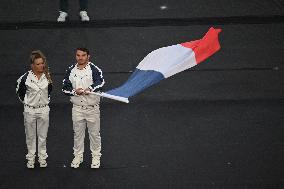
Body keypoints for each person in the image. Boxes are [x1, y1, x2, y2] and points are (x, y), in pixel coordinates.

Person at [62, 47, 105, 168]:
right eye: (78, 55)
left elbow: (100, 82)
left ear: (88, 56)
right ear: (75, 56)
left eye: (83, 55)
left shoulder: (94, 69)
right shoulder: (70, 70)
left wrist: (90, 88)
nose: (80, 58)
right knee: (78, 134)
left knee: (94, 134)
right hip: (77, 108)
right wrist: (75, 91)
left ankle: (96, 157)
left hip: (92, 108)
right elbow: (65, 88)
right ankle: (78, 156)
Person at [16, 50, 52, 168]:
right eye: (38, 64)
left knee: (42, 136)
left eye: (42, 63)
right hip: (30, 110)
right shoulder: (25, 78)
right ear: (32, 65)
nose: (41, 66)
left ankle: (42, 158)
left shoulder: (47, 76)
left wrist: (44, 103)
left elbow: (49, 91)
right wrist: (28, 103)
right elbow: (20, 93)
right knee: (30, 136)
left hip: (43, 110)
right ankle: (31, 159)